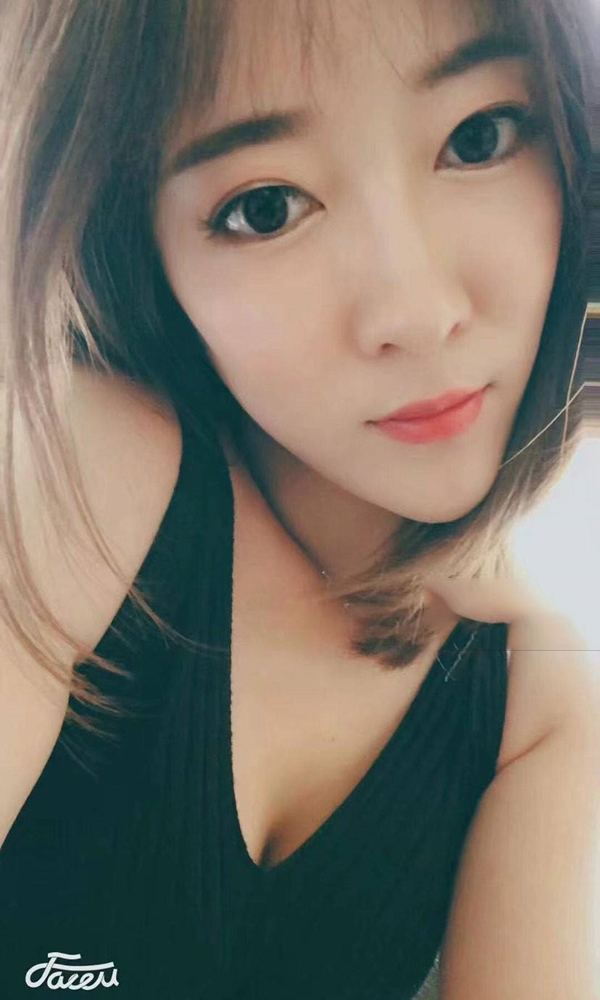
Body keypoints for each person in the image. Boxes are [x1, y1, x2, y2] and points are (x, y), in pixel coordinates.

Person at [0, 0, 597, 998]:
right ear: (142, 248)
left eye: (478, 138)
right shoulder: (82, 475)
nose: (416, 312)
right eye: (267, 206)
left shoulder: (541, 692)